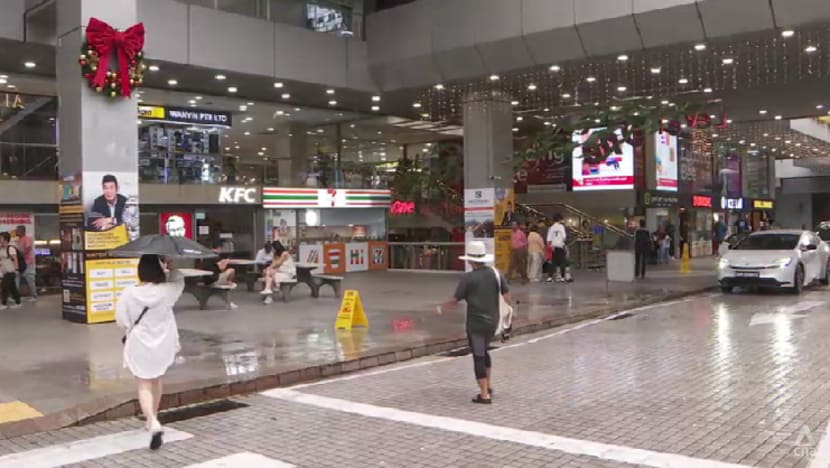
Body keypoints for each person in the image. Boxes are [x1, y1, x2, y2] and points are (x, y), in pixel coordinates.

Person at [116, 255, 184, 451]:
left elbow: (121, 320)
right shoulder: (167, 291)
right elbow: (180, 282)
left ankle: (152, 422)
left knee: (143, 383)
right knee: (157, 378)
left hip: (139, 342)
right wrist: (172, 267)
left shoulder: (129, 292)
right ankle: (153, 416)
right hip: (163, 342)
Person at [439, 241, 510, 405]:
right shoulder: (495, 273)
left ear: (470, 260)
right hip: (493, 322)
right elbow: (507, 296)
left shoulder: (468, 278)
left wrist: (442, 307)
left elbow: (455, 299)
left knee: (478, 355)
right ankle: (488, 385)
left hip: (476, 323)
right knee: (485, 350)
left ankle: (484, 394)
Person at [15, 225, 36, 300]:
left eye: (18, 230)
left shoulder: (27, 238)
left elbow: (27, 248)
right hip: (20, 262)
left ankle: (33, 296)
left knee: (29, 279)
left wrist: (20, 254)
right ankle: (16, 296)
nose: (16, 231)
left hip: (28, 262)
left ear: (22, 231)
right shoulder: (18, 240)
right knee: (16, 277)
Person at [0, 233, 21, 309]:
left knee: (4, 287)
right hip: (4, 271)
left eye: (1, 238)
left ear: (5, 239)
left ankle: (4, 304)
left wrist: (16, 269)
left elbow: (15, 259)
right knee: (13, 288)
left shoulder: (11, 248)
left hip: (11, 271)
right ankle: (18, 302)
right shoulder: (1, 249)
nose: (0, 240)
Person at [546, 213, 568, 283]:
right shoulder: (561, 227)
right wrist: (564, 244)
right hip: (560, 246)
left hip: (553, 247)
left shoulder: (551, 227)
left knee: (552, 263)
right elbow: (564, 237)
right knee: (562, 262)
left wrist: (550, 246)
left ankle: (550, 277)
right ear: (559, 219)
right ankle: (562, 278)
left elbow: (548, 239)